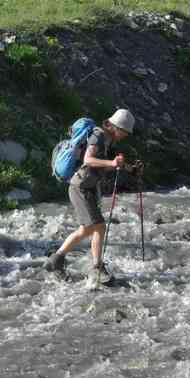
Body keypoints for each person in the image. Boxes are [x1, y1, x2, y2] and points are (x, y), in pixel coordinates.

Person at [44, 109, 135, 286]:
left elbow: (103, 166)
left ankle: (57, 261)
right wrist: (112, 163)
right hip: (80, 188)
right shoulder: (98, 135)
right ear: (117, 127)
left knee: (89, 229)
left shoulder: (107, 140)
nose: (125, 136)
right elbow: (88, 160)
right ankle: (95, 268)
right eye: (125, 132)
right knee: (98, 226)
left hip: (89, 187)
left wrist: (129, 168)